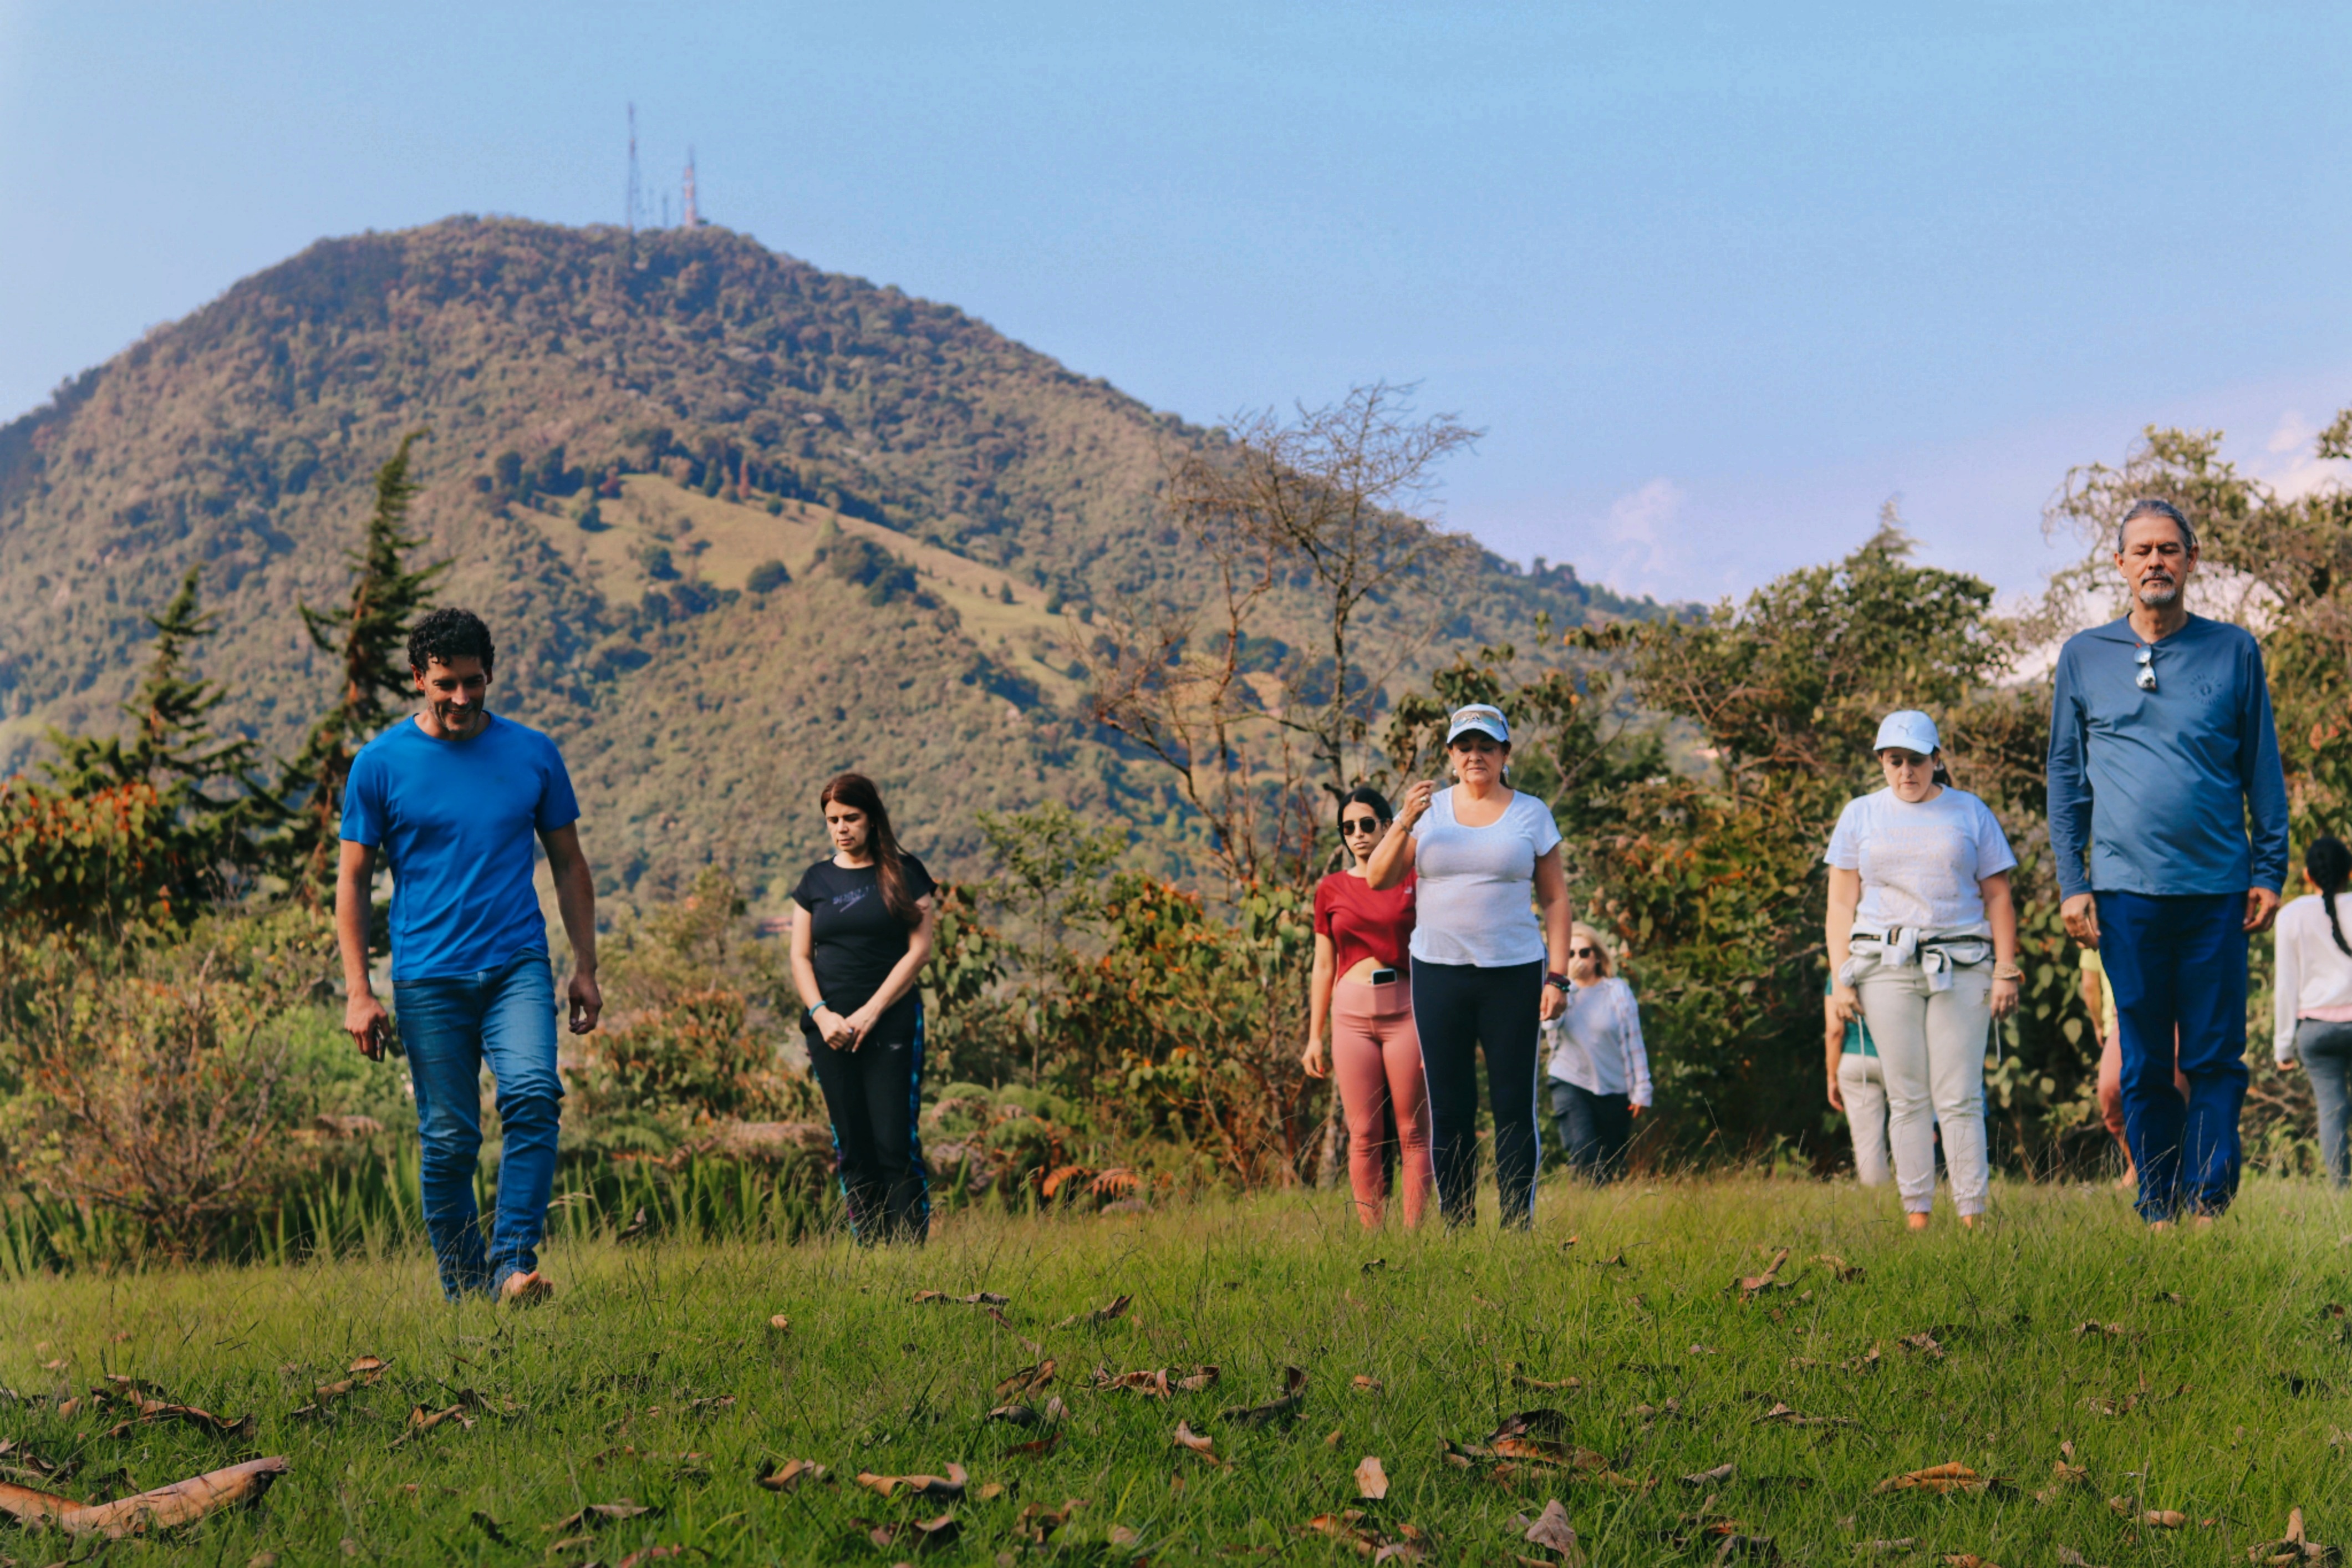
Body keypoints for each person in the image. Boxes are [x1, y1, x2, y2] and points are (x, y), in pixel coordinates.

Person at [337, 608, 599, 1306]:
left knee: (534, 1095)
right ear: (418, 677)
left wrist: (585, 967)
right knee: (451, 1138)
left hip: (516, 962)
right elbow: (354, 880)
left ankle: (514, 1264)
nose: (461, 698)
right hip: (427, 975)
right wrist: (359, 990)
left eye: (474, 682)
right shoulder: (379, 763)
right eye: (446, 684)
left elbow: (570, 864)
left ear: (491, 674)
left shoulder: (534, 752)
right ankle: (464, 1289)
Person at [2049, 497, 2289, 1226]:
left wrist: (2268, 869)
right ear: (2119, 566)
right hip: (2125, 895)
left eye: (2168, 549)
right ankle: (2157, 1206)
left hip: (2217, 890)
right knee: (2148, 1062)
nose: (2155, 561)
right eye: (2141, 550)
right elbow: (2065, 775)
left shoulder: (2234, 650)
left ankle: (2208, 1202)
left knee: (2216, 1058)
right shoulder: (2084, 657)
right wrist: (2072, 882)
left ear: (2191, 559)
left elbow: (2262, 769)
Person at [1367, 703, 1573, 1230]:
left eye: (1487, 746)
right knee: (1451, 1106)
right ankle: (1457, 1226)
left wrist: (1557, 977)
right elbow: (1379, 879)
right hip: (1438, 973)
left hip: (1513, 973)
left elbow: (1555, 901)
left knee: (1512, 1105)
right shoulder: (1427, 812)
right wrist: (1404, 822)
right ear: (1452, 755)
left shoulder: (1531, 813)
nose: (1475, 756)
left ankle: (1515, 1226)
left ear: (1505, 753)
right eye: (1465, 747)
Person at [1825, 710, 2020, 1229]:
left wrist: (2005, 970)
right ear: (1882, 763)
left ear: (1937, 759)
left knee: (1958, 1092)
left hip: (1962, 962)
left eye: (1916, 760)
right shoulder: (1861, 814)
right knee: (1905, 1091)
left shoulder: (1970, 811)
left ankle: (1972, 1213)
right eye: (1895, 761)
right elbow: (1841, 905)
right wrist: (1840, 974)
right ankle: (1918, 1213)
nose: (1906, 771)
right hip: (1884, 963)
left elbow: (1998, 895)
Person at [789, 773, 938, 1244]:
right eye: (832, 820)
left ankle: (911, 1255)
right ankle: (869, 1249)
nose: (841, 828)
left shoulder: (905, 871)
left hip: (891, 1022)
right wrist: (821, 1014)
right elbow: (799, 955)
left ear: (872, 818)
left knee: (895, 1142)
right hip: (829, 1031)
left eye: (850, 818)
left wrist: (872, 1013)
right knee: (851, 1146)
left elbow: (919, 951)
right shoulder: (815, 880)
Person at [1302, 787, 1432, 1228]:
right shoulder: (1331, 888)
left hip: (1407, 1009)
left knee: (1414, 1132)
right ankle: (1372, 1238)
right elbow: (1323, 965)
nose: (1357, 834)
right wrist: (1313, 1037)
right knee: (1363, 1133)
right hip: (1351, 1015)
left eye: (1366, 824)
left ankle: (1415, 1238)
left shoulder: (1414, 878)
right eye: (1348, 828)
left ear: (1386, 823)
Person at [1542, 922, 1651, 1183]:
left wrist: (1642, 1089)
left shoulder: (1617, 991)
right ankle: (1583, 1213)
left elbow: (1634, 1041)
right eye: (1569, 954)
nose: (1577, 959)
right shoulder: (1559, 992)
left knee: (1612, 1164)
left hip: (1614, 1087)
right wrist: (1565, 984)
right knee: (1583, 1155)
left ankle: (1606, 1216)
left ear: (1598, 957)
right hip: (1570, 1081)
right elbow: (1549, 1023)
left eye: (1584, 952)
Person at [2272, 836, 2352, 1188]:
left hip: (2316, 1031)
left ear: (2307, 876)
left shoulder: (2292, 915)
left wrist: (2283, 1047)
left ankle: (2343, 1192)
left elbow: (2286, 986)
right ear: (2350, 872)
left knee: (2331, 1110)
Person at [2080, 950, 2187, 1187]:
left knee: (2174, 1093)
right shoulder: (2092, 928)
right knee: (2110, 1091)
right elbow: (2090, 985)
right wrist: (2098, 1024)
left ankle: (2178, 1171)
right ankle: (2138, 1163)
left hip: (2173, 1010)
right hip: (2123, 1017)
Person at [1825, 975, 1891, 1187]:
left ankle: (1878, 1200)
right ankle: (1918, 1199)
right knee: (1910, 1122)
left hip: (1855, 1060)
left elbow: (1835, 1031)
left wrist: (1831, 1077)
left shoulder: (1836, 976)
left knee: (1867, 1140)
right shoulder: (1890, 965)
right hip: (1896, 1058)